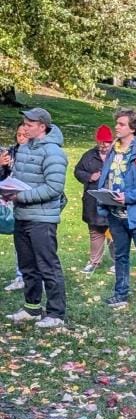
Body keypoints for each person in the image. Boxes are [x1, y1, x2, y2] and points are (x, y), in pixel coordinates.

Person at [3, 108, 68, 327]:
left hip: (42, 218)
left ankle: (56, 313)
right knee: (27, 265)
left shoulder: (53, 153)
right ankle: (32, 308)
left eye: (30, 124)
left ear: (42, 126)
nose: (25, 127)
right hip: (22, 216)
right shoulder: (22, 148)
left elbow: (54, 187)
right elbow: (16, 178)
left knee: (48, 266)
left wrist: (21, 196)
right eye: (25, 123)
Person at [98, 108, 136, 308]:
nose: (117, 127)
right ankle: (120, 293)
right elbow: (106, 177)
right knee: (120, 255)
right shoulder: (113, 150)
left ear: (133, 128)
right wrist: (103, 196)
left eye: (122, 124)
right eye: (117, 123)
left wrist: (128, 196)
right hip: (115, 213)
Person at [74, 126, 113, 274]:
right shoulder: (89, 155)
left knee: (114, 233)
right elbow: (77, 171)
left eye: (107, 143)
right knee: (95, 231)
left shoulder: (117, 155)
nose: (104, 147)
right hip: (92, 201)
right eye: (101, 143)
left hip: (111, 201)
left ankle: (118, 262)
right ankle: (94, 261)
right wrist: (89, 177)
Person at [0, 125, 27, 293]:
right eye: (18, 134)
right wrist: (2, 166)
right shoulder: (9, 153)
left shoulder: (38, 154)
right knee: (18, 238)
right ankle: (20, 276)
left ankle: (31, 276)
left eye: (25, 134)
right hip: (10, 200)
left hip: (30, 202)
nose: (21, 137)